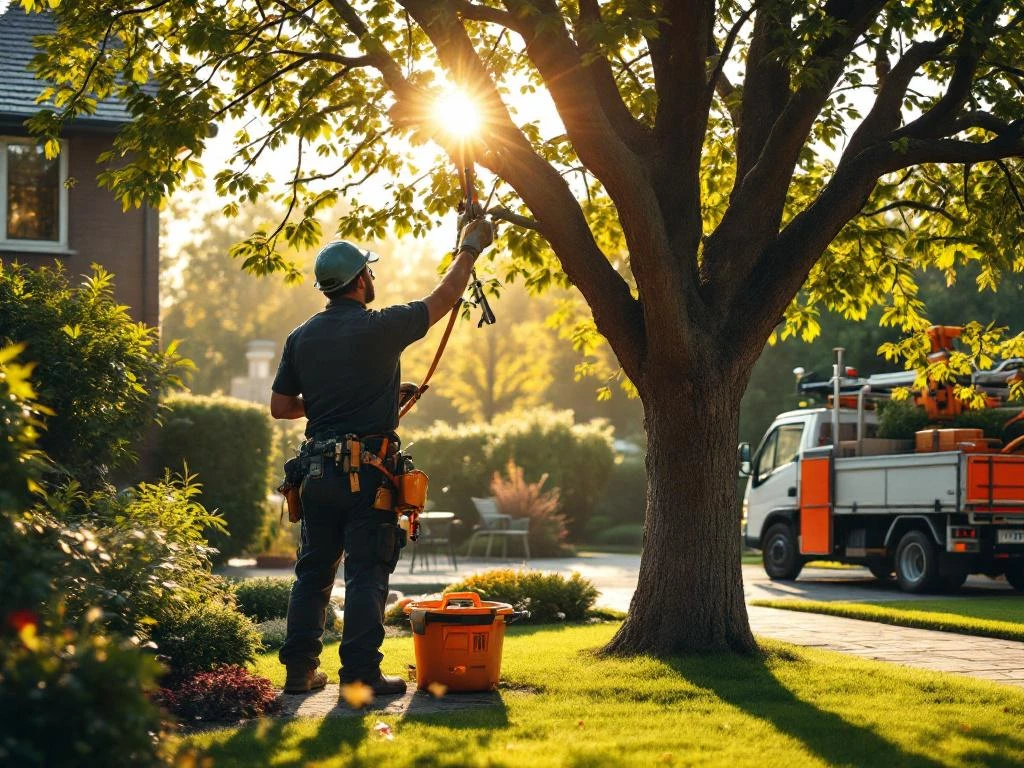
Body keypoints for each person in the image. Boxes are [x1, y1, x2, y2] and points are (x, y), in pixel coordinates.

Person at [270, 217, 494, 697]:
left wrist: (341, 402)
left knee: (312, 573)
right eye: (369, 273)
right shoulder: (381, 326)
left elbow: (282, 408)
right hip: (367, 476)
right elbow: (442, 299)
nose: (373, 279)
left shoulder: (301, 336)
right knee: (368, 570)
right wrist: (470, 249)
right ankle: (360, 675)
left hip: (315, 473)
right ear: (360, 280)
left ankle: (299, 672)